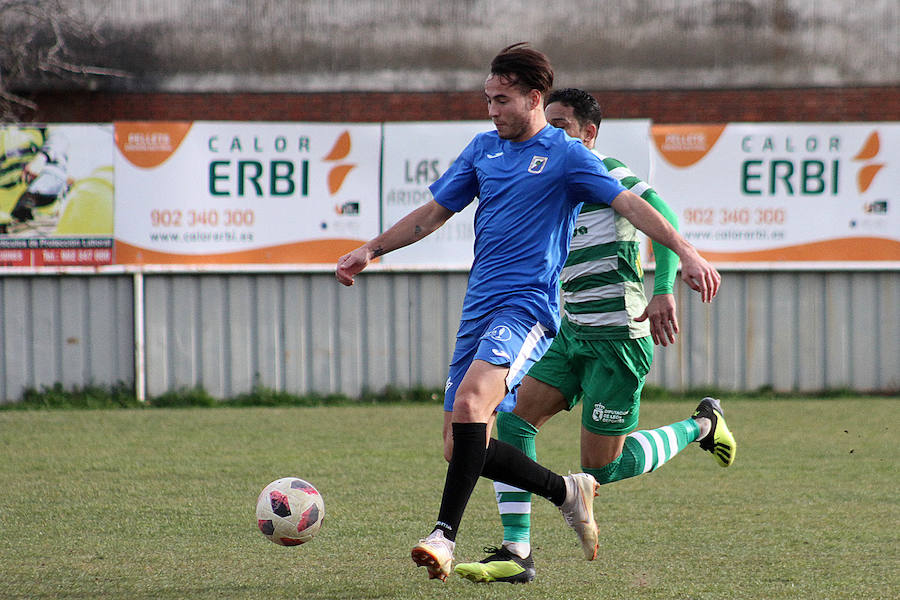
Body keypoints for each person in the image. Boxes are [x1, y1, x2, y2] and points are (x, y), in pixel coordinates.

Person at [335, 45, 721, 582]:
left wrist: (686, 253)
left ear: (533, 98)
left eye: (502, 100)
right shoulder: (482, 149)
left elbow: (633, 205)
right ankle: (568, 491)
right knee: (461, 446)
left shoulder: (566, 154)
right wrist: (371, 249)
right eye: (487, 99)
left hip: (527, 310)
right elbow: (432, 214)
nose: (492, 110)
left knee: (475, 406)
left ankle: (444, 536)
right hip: (478, 310)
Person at [453, 88, 737, 585]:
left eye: (564, 125)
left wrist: (664, 289)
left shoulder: (608, 174)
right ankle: (516, 553)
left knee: (601, 469)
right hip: (568, 335)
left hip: (618, 341)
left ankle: (701, 426)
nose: (554, 132)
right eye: (550, 122)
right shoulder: (548, 177)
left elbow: (663, 217)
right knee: (511, 421)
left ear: (590, 133)